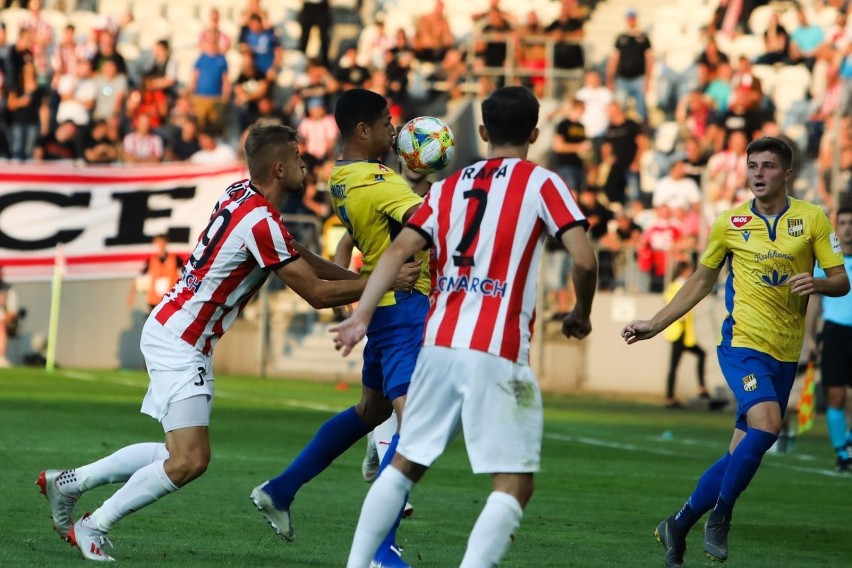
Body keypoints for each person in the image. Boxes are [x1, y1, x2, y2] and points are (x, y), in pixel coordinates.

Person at [35, 123, 418, 562]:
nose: (304, 163)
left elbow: (297, 254)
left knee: (176, 453)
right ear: (278, 167)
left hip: (176, 330)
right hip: (182, 339)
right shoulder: (259, 221)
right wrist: (380, 281)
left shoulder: (243, 196)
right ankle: (93, 524)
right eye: (296, 157)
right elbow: (313, 293)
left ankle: (71, 482)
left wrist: (360, 280)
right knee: (189, 461)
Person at [334, 86, 598, 568]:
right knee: (514, 482)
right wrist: (581, 312)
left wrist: (361, 315)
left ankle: (357, 564)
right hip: (497, 349)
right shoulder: (542, 184)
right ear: (535, 134)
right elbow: (583, 258)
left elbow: (396, 252)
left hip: (437, 343)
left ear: (481, 133)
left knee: (404, 463)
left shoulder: (449, 187)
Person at [621, 137, 849, 566]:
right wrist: (655, 323)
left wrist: (817, 283)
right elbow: (700, 282)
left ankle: (679, 523)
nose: (758, 174)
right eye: (752, 166)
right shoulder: (730, 223)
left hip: (785, 351)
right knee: (768, 424)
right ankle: (721, 517)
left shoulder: (813, 218)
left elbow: (841, 279)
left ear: (786, 173)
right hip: (742, 344)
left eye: (767, 166)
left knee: (740, 451)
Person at [250, 89, 429, 567]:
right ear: (363, 131)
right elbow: (433, 223)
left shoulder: (342, 179)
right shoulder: (376, 182)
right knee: (414, 430)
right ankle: (381, 548)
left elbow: (373, 230)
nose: (395, 130)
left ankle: (280, 489)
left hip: (385, 307)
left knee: (371, 413)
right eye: (387, 122)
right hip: (407, 306)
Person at [807, 207, 852, 472]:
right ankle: (842, 454)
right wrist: (811, 338)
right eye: (843, 222)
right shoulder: (827, 261)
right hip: (834, 332)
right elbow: (814, 300)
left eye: (851, 222)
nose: (847, 228)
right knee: (835, 396)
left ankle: (848, 441)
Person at [662, 261, 708, 408]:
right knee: (674, 366)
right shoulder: (676, 286)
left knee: (700, 355)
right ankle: (670, 398)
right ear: (683, 271)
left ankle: (701, 389)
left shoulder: (677, 285)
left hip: (685, 334)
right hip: (678, 332)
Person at [127, 234, 184, 313]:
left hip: (171, 299)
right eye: (157, 243)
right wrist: (131, 296)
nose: (160, 245)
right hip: (154, 300)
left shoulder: (175, 258)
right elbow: (139, 277)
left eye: (161, 242)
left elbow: (186, 273)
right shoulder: (151, 260)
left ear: (166, 243)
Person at [0, 266, 20, 368]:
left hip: (3, 319)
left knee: (1, 327)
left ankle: (0, 357)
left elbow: (12, 311)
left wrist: (5, 318)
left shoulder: (8, 289)